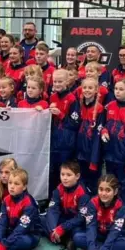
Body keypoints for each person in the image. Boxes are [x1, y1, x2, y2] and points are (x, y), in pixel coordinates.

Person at [0, 168, 42, 250]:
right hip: (11, 230)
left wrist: (4, 245)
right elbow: (2, 223)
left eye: (16, 184)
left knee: (24, 241)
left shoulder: (29, 203)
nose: (12, 186)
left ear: (24, 187)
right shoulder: (6, 200)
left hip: (28, 234)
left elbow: (21, 229)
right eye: (10, 183)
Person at [100, 79, 125, 205]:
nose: (117, 92)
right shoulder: (109, 106)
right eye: (116, 89)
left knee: (124, 184)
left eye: (121, 89)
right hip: (109, 153)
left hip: (124, 155)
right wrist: (104, 131)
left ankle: (122, 208)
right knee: (110, 182)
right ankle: (110, 206)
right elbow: (103, 125)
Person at [74, 174, 125, 250]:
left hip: (115, 237)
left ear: (115, 192)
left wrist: (104, 249)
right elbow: (91, 226)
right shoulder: (93, 202)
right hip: (98, 235)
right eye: (101, 189)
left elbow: (115, 231)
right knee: (77, 237)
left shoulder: (121, 206)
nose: (103, 193)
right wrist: (92, 248)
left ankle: (98, 249)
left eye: (108, 190)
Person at [41, 161, 90, 250]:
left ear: (77, 176)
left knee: (77, 236)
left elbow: (81, 217)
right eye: (62, 174)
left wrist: (63, 228)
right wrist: (53, 229)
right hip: (63, 219)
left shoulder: (83, 193)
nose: (64, 178)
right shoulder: (59, 189)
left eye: (68, 175)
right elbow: (53, 209)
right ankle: (65, 240)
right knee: (41, 219)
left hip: (76, 223)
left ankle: (61, 237)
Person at [48, 69, 80, 197]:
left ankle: (65, 200)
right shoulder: (52, 97)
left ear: (67, 82)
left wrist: (60, 114)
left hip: (66, 143)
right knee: (52, 173)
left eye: (60, 81)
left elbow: (75, 123)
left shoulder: (72, 99)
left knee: (65, 173)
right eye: (55, 81)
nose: (57, 84)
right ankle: (52, 199)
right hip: (53, 141)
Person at [76, 78, 104, 193]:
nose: (87, 90)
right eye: (85, 87)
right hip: (80, 152)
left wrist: (94, 157)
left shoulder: (100, 109)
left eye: (90, 88)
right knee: (81, 182)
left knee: (93, 183)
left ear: (96, 90)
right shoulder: (79, 106)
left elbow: (98, 136)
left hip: (93, 153)